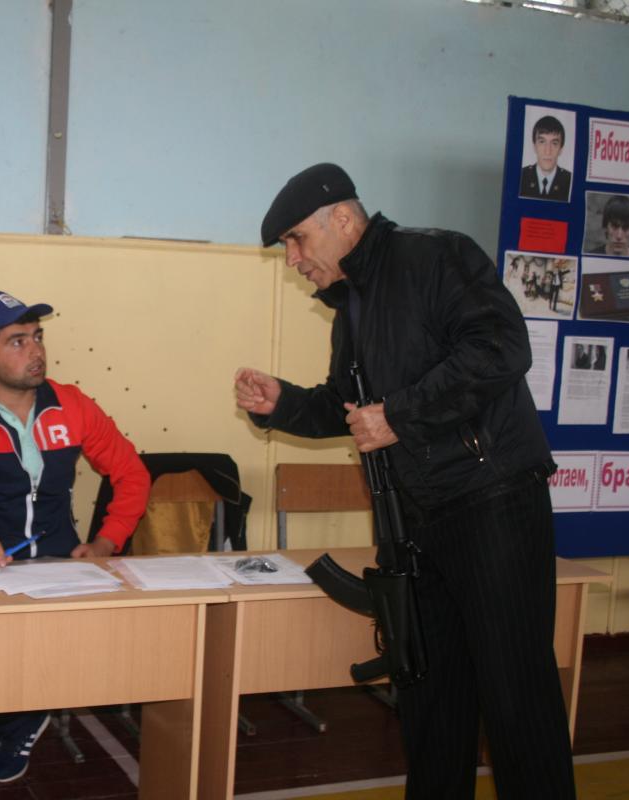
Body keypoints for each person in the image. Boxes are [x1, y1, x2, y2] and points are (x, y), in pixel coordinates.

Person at [239, 164, 575, 798]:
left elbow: (500, 348)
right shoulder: (352, 307)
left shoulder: (437, 257)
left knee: (516, 701)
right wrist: (284, 404)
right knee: (430, 705)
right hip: (416, 523)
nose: (292, 260)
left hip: (492, 503)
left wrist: (399, 414)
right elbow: (349, 408)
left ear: (343, 219)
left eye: (296, 240)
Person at [0, 290, 150, 783]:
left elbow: (132, 474)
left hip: (61, 564)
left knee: (98, 639)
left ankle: (19, 714)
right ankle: (15, 709)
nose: (36, 351)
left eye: (38, 337)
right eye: (17, 341)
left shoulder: (72, 404)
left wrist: (107, 542)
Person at [519, 115, 572, 201]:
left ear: (561, 149)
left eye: (554, 143)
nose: (548, 151)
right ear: (534, 146)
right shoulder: (521, 176)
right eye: (542, 142)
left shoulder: (570, 180)